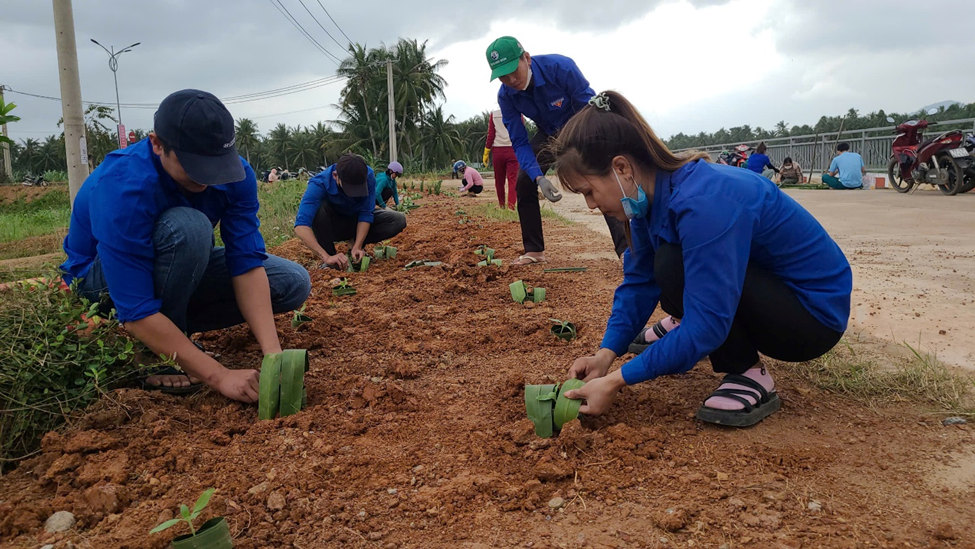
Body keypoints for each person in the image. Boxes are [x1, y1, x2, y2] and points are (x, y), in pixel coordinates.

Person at [553, 91, 852, 427]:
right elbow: (638, 283)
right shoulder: (644, 202)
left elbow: (709, 324)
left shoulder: (704, 201)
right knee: (665, 266)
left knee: (674, 268)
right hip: (760, 285)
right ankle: (685, 322)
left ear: (621, 168)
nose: (591, 205)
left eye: (589, 191)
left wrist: (616, 381)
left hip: (810, 317)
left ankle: (748, 373)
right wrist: (605, 355)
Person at [59, 89, 312, 403]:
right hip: (102, 284)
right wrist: (219, 375)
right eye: (194, 165)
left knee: (291, 282)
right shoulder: (123, 188)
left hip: (169, 270)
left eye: (216, 165)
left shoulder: (236, 176)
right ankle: (154, 353)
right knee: (188, 229)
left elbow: (245, 264)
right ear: (157, 143)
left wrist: (274, 357)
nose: (206, 180)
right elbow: (135, 308)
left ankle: (172, 337)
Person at [486, 36, 628, 264]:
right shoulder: (506, 96)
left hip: (581, 125)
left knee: (599, 177)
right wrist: (538, 177)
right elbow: (520, 141)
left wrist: (589, 150)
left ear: (527, 58)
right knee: (524, 180)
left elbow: (589, 108)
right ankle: (534, 250)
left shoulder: (560, 68)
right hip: (550, 133)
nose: (511, 79)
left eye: (514, 70)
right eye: (503, 75)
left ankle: (626, 250)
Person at [294, 154, 407, 270]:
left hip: (355, 222)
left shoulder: (368, 175)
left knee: (398, 220)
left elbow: (366, 213)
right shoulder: (319, 183)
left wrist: (357, 246)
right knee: (319, 209)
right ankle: (332, 260)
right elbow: (301, 226)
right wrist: (326, 257)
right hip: (333, 227)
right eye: (350, 188)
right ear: (335, 176)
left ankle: (355, 245)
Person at [484, 108, 521, 209]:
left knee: (499, 181)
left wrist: (486, 151)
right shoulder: (517, 112)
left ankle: (501, 205)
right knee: (512, 180)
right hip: (512, 150)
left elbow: (491, 135)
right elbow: (520, 132)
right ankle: (511, 206)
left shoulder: (494, 115)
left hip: (498, 151)